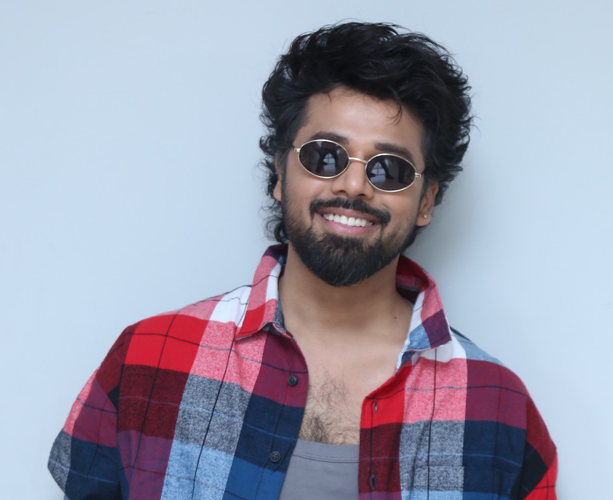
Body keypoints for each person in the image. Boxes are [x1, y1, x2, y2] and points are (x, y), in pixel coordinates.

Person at [49, 22, 557, 500]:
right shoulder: (149, 358)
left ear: (426, 201)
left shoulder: (498, 406)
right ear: (280, 173)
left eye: (389, 169)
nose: (353, 185)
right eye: (324, 155)